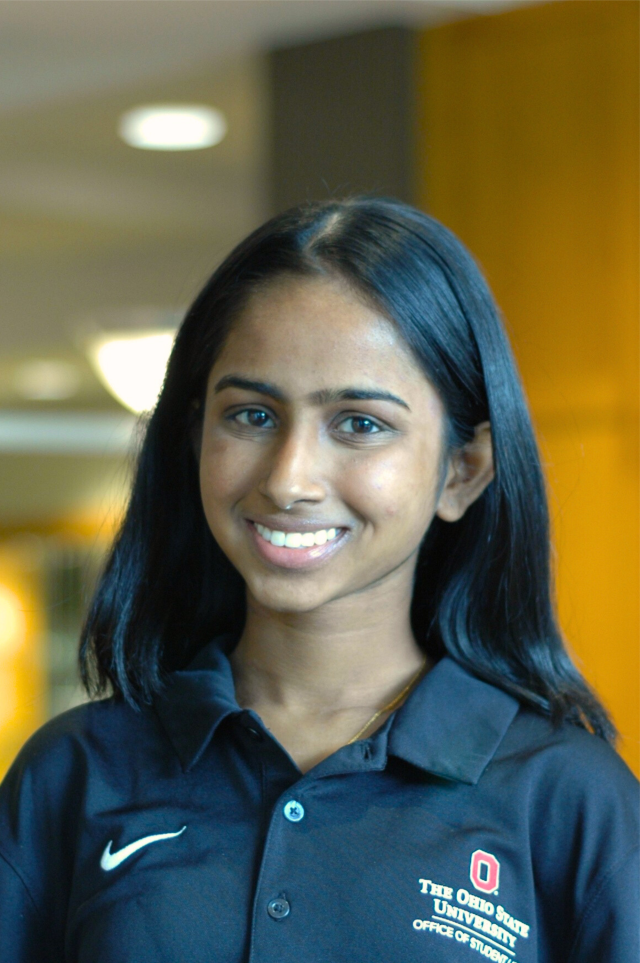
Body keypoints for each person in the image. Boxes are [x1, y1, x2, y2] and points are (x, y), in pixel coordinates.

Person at [0, 197, 637, 963]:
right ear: (193, 430)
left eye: (359, 423)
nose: (290, 478)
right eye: (252, 416)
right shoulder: (74, 774)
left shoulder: (567, 797)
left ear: (462, 471)